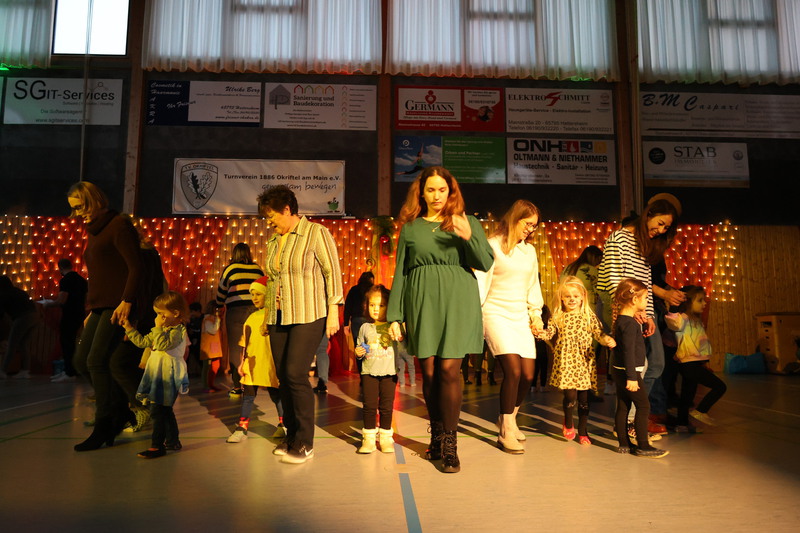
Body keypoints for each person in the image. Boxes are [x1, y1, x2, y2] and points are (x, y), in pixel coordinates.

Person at [387, 166, 494, 473]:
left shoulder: (467, 222)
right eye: (431, 190)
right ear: (421, 193)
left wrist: (469, 236)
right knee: (431, 374)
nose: (437, 195)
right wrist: (395, 315)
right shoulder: (411, 228)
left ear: (451, 191)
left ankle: (449, 443)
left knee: (449, 371)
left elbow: (485, 262)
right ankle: (436, 434)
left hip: (457, 300)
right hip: (422, 301)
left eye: (442, 190)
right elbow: (401, 272)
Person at [258, 185, 343, 464]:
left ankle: (305, 442)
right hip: (278, 316)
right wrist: (267, 315)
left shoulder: (316, 233)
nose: (269, 222)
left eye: (272, 216)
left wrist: (333, 311)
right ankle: (291, 435)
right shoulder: (273, 241)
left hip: (309, 313)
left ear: (287, 209)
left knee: (295, 373)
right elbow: (272, 280)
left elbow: (332, 273)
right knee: (283, 376)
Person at [67, 181, 145, 452]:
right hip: (101, 305)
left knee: (97, 360)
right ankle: (120, 410)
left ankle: (104, 423)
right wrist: (91, 310)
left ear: (95, 200)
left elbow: (136, 267)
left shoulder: (118, 225)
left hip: (118, 304)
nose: (78, 213)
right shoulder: (94, 230)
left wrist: (127, 301)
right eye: (74, 209)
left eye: (81, 207)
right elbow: (100, 274)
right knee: (80, 361)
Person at [596, 193, 682, 435]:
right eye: (660, 223)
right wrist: (628, 313)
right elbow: (614, 281)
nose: (661, 230)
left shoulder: (645, 245)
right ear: (649, 214)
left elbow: (644, 285)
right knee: (633, 365)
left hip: (640, 310)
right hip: (621, 309)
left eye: (666, 228)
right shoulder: (619, 238)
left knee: (656, 363)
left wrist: (650, 315)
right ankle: (628, 422)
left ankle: (633, 419)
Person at [475, 199, 543, 455]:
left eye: (534, 226)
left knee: (527, 374)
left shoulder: (529, 252)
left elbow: (532, 286)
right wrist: (475, 313)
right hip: (495, 313)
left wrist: (535, 314)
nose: (530, 229)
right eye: (528, 224)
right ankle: (505, 431)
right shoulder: (492, 245)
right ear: (515, 219)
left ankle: (509, 418)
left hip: (519, 316)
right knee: (513, 370)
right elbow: (481, 282)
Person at [536, 277, 616, 445]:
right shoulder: (558, 316)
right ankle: (568, 422)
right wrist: (542, 333)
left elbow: (598, 333)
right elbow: (550, 332)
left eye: (576, 296)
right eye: (568, 296)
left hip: (584, 362)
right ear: (562, 298)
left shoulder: (588, 316)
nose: (572, 299)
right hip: (566, 361)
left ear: (582, 297)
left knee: (584, 400)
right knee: (570, 397)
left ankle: (583, 431)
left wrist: (606, 340)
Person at [122, 291, 189, 459]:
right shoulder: (162, 329)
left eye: (161, 313)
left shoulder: (178, 331)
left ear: (175, 313)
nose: (158, 318)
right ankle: (173, 441)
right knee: (164, 410)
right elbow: (143, 342)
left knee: (158, 411)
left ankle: (157, 446)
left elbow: (163, 344)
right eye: (157, 314)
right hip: (157, 373)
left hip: (168, 375)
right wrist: (129, 329)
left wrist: (158, 328)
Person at [611, 278, 668, 458]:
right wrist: (632, 377)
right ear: (634, 300)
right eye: (645, 298)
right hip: (630, 372)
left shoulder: (623, 320)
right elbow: (628, 352)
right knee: (643, 406)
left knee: (623, 406)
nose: (646, 302)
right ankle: (643, 445)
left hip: (620, 371)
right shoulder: (628, 323)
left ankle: (624, 444)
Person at [226, 277, 284, 443]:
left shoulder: (277, 316)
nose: (254, 298)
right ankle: (242, 428)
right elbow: (245, 344)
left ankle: (283, 424)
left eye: (258, 294)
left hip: (270, 365)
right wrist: (242, 363)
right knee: (248, 396)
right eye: (252, 294)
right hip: (252, 364)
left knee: (277, 395)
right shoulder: (251, 318)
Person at [665, 285, 727, 431]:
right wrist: (674, 305)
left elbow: (701, 344)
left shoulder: (696, 321)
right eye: (700, 300)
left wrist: (704, 361)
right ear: (688, 302)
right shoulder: (683, 319)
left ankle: (682, 424)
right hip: (688, 364)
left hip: (694, 363)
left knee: (687, 395)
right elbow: (672, 321)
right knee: (720, 387)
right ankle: (701, 411)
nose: (704, 303)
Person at [354, 284, 398, 454]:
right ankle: (369, 440)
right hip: (368, 372)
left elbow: (403, 346)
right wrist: (358, 352)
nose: (376, 309)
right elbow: (360, 347)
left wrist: (400, 336)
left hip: (389, 373)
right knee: (369, 406)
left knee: (386, 406)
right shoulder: (364, 327)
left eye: (381, 305)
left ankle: (386, 438)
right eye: (372, 304)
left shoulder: (393, 327)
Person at [216, 243, 264, 396]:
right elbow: (264, 289)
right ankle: (252, 383)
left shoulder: (230, 269)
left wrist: (219, 306)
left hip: (235, 311)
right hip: (254, 312)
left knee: (236, 349)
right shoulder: (257, 269)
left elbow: (221, 291)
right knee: (252, 347)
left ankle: (237, 386)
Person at [46, 259, 88, 382]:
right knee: (72, 342)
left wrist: (48, 304)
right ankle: (71, 370)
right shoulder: (82, 280)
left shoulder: (65, 280)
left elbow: (62, 300)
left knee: (66, 343)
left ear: (60, 268)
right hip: (80, 313)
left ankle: (69, 372)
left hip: (69, 314)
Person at [0, 276, 39, 379]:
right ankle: (25, 371)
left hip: (23, 318)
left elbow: (1, 314)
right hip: (35, 316)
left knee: (11, 345)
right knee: (23, 344)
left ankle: (3, 371)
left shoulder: (3, 294)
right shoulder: (19, 291)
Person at [200, 301, 223, 392]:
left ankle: (211, 384)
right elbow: (213, 330)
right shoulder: (208, 318)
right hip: (208, 346)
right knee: (207, 366)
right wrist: (218, 320)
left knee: (215, 365)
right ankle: (205, 386)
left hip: (214, 344)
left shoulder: (213, 318)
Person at [532, 305, 551, 392]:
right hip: (542, 350)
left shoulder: (533, 325)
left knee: (535, 369)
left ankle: (533, 386)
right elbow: (546, 338)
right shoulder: (546, 325)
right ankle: (542, 386)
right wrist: (552, 346)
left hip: (534, 350)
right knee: (543, 368)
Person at [187, 302, 203, 376]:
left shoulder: (203, 319)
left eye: (192, 311)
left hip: (201, 342)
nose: (191, 313)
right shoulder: (192, 320)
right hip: (193, 342)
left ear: (198, 310)